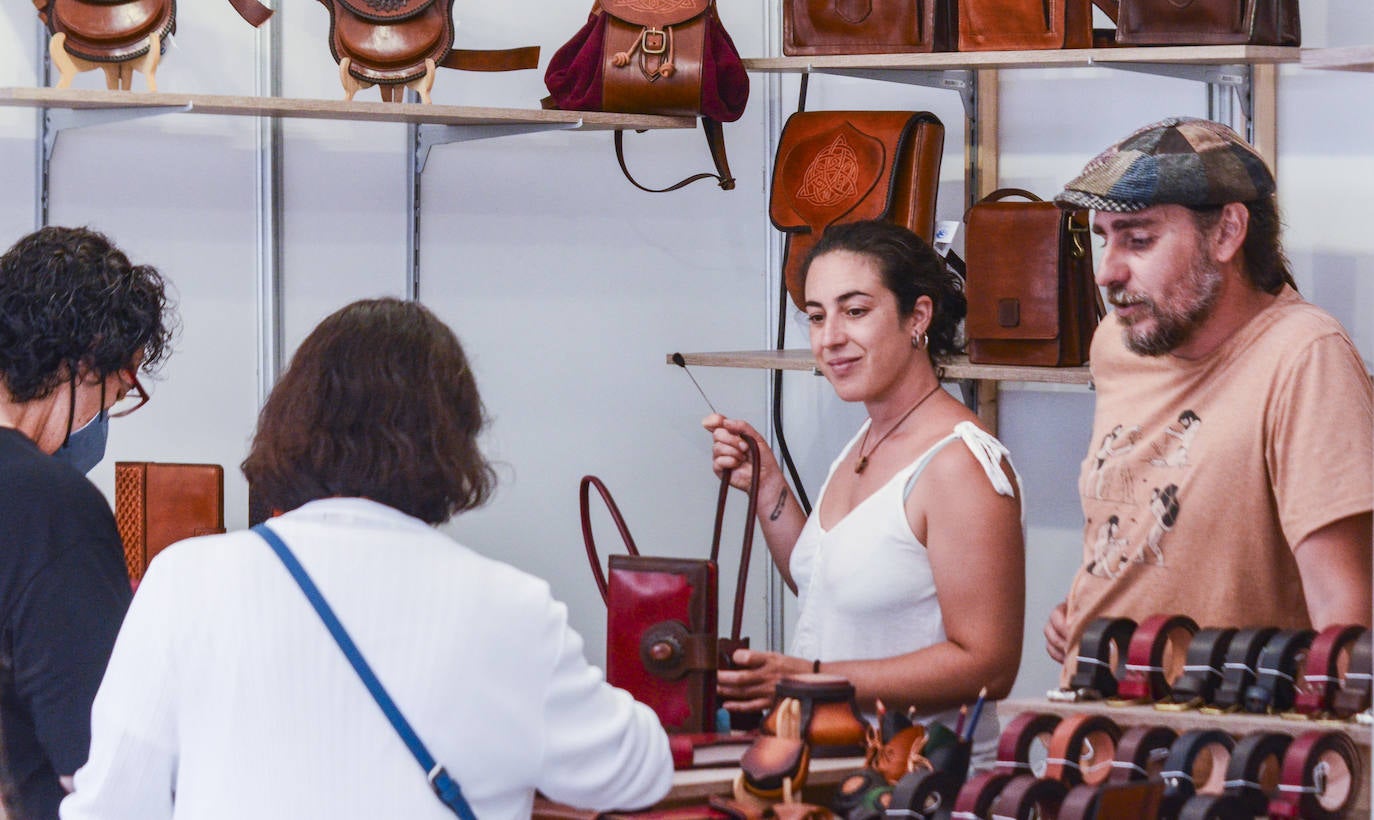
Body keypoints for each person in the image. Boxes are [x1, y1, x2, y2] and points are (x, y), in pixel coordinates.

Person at [61, 298, 672, 820]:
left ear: (290, 423)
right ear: (453, 441)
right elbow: (636, 772)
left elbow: (112, 806)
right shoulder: (514, 608)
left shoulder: (184, 581)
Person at [1043, 117, 1373, 675]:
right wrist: (1096, 596)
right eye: (1104, 239)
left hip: (1220, 750)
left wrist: (1328, 756)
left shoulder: (1304, 356)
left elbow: (1345, 617)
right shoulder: (1119, 342)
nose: (1106, 272)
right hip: (1092, 735)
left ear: (1227, 233)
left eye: (1139, 239)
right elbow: (1151, 517)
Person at [703, 220, 1025, 756]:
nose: (830, 338)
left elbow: (988, 666)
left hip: (925, 787)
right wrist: (767, 488)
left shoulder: (959, 462)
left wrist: (811, 676)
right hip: (840, 769)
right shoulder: (866, 438)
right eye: (816, 315)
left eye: (855, 311)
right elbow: (826, 583)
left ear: (917, 316)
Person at [0, 226, 174, 820]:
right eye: (122, 387)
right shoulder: (50, 507)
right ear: (84, 360)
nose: (109, 413)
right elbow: (98, 762)